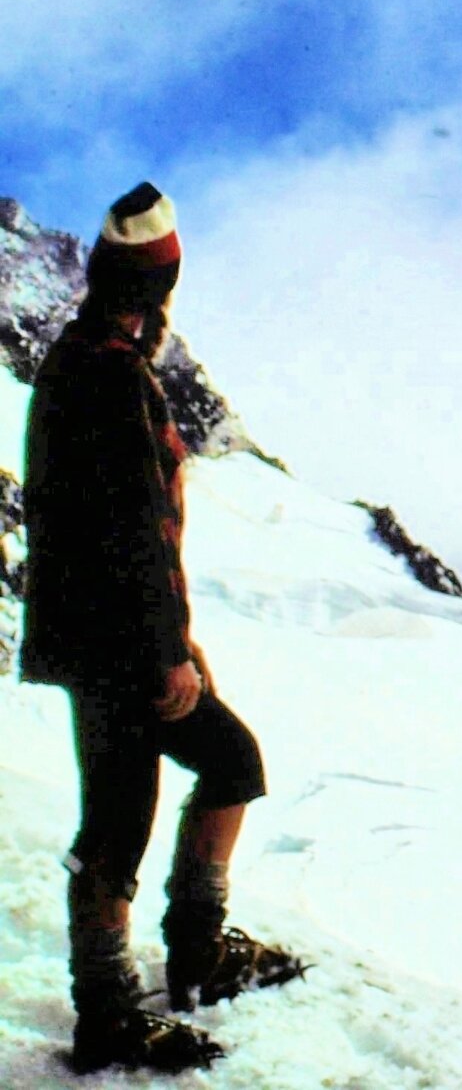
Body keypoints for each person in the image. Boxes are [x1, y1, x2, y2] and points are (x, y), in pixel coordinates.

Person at [19, 182, 304, 1073]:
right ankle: (132, 996)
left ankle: (176, 962)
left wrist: (172, 639)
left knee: (156, 795)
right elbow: (134, 532)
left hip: (99, 638)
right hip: (117, 647)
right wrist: (164, 654)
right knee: (150, 803)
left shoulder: (83, 361)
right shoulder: (108, 376)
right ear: (151, 291)